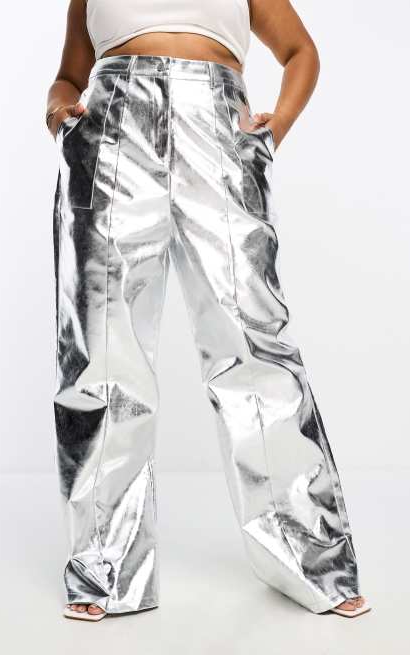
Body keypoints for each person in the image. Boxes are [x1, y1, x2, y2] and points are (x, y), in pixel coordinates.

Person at [46, 0, 371, 622]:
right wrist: (60, 114)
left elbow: (301, 51)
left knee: (253, 344)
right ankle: (104, 569)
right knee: (103, 350)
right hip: (111, 133)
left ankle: (313, 561)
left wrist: (271, 134)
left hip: (218, 128)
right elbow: (69, 75)